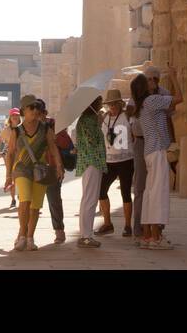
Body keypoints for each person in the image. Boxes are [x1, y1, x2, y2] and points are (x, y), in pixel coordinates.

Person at [5, 93, 64, 252]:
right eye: (32, 107)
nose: (35, 110)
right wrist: (8, 176)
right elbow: (10, 153)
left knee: (36, 206)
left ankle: (30, 237)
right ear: (24, 110)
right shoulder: (16, 131)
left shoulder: (45, 128)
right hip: (21, 169)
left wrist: (58, 165)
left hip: (40, 170)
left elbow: (52, 147)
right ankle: (23, 235)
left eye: (37, 107)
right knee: (25, 200)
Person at [133, 64, 183, 250]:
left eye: (155, 79)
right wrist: (174, 77)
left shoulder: (146, 103)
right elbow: (179, 98)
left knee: (149, 195)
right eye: (149, 80)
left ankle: (147, 236)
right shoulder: (153, 100)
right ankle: (155, 238)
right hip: (157, 152)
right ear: (143, 86)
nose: (153, 82)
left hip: (150, 151)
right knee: (158, 196)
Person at [95, 88, 135, 237]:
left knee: (125, 192)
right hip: (110, 161)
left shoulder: (126, 116)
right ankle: (107, 223)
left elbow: (134, 132)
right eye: (110, 104)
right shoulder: (105, 118)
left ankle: (127, 225)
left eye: (114, 104)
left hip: (126, 160)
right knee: (101, 190)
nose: (112, 106)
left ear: (119, 104)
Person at [74, 94, 107, 248]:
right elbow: (92, 140)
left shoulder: (87, 119)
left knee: (87, 198)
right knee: (90, 199)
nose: (102, 105)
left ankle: (85, 233)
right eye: (99, 102)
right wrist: (99, 123)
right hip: (92, 162)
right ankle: (86, 235)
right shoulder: (88, 120)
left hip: (90, 162)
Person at [37, 100, 68, 244]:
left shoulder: (54, 125)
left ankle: (59, 231)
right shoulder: (28, 127)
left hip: (52, 167)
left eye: (40, 113)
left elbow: (65, 143)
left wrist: (53, 138)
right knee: (30, 202)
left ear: (45, 113)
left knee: (54, 200)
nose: (37, 116)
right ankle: (26, 234)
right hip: (35, 168)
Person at [129, 87, 147, 238]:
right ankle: (139, 227)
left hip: (152, 144)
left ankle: (152, 227)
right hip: (140, 143)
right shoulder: (133, 103)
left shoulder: (154, 100)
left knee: (153, 189)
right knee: (140, 188)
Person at [0, 109, 21, 209]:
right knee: (11, 178)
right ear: (10, 118)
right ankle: (13, 199)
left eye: (17, 116)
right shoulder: (7, 130)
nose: (15, 117)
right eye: (13, 116)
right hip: (11, 155)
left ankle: (21, 195)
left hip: (21, 155)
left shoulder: (23, 128)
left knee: (21, 177)